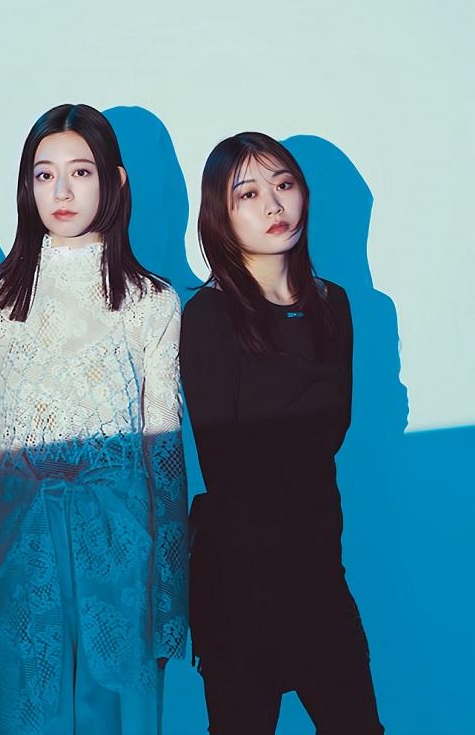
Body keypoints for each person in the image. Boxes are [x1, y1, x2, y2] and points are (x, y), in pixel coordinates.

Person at [0, 103, 188, 735]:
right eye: (44, 174)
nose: (61, 192)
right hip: (19, 556)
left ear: (114, 180)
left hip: (121, 557)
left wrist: (169, 604)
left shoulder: (153, 302)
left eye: (80, 172)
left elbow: (165, 458)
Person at [181, 132, 384, 734]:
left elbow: (334, 429)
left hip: (319, 568)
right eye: (248, 193)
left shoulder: (334, 304)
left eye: (284, 184)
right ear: (220, 215)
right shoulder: (208, 315)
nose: (273, 204)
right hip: (240, 580)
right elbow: (226, 463)